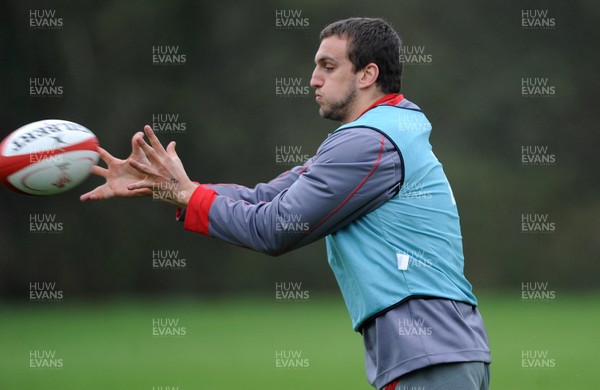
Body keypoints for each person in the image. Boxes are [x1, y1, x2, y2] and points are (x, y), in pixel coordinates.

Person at [81, 17, 491, 390]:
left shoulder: (370, 143)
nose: (313, 79)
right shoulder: (380, 133)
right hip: (435, 355)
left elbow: (275, 227)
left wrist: (188, 194)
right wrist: (168, 186)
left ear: (368, 74)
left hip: (429, 357)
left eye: (328, 67)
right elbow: (264, 198)